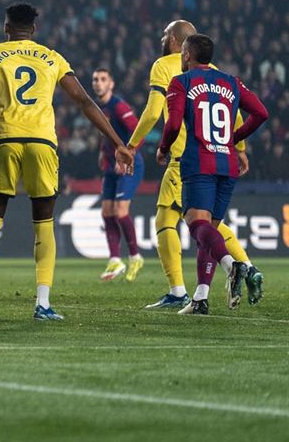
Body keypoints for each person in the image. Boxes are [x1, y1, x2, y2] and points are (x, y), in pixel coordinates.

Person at [0, 3, 134, 321]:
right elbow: (85, 101)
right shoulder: (52, 57)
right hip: (42, 141)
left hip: (5, 138)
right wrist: (117, 143)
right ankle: (42, 303)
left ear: (6, 28)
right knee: (43, 221)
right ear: (34, 29)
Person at [126, 20, 257, 309]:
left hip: (188, 157)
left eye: (164, 34)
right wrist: (240, 147)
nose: (162, 38)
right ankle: (239, 272)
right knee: (208, 222)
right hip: (220, 152)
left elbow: (152, 112)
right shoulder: (214, 71)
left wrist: (132, 145)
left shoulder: (164, 67)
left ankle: (182, 289)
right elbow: (236, 112)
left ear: (176, 41)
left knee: (176, 221)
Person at [156, 34, 268, 314]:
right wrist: (233, 138)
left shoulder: (181, 82)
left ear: (187, 54)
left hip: (199, 162)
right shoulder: (231, 81)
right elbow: (261, 113)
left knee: (197, 226)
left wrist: (163, 148)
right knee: (210, 232)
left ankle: (234, 266)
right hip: (226, 163)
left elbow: (171, 124)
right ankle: (200, 298)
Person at [90, 68, 146, 282]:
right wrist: (102, 154)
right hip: (111, 165)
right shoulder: (99, 107)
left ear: (111, 84)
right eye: (95, 79)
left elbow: (138, 130)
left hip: (129, 164)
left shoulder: (118, 106)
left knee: (120, 211)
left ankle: (135, 256)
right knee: (106, 212)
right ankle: (115, 259)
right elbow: (107, 135)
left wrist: (128, 155)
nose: (98, 83)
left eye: (103, 79)